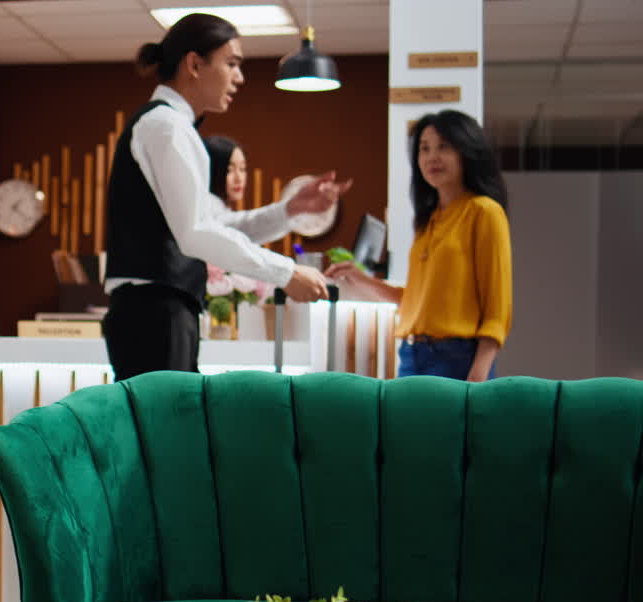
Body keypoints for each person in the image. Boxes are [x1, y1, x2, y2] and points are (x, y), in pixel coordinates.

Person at [101, 12, 351, 381]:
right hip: (155, 313)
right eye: (232, 64)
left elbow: (215, 226)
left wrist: (290, 210)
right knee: (165, 435)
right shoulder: (166, 126)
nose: (240, 77)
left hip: (160, 312)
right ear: (195, 64)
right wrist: (286, 272)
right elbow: (198, 233)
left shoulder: (172, 126)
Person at [325, 110, 512, 381]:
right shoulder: (430, 220)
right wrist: (360, 279)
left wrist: (479, 372)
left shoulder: (484, 212)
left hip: (459, 357)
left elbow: (498, 305)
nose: (431, 157)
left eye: (443, 147)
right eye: (424, 149)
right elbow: (413, 300)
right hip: (412, 355)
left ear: (467, 151)